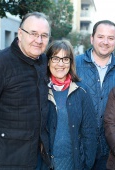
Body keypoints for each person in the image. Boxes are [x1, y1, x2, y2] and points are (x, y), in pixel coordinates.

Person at [0, 12, 51, 170]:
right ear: (20, 33)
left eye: (44, 35)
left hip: (36, 158)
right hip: (4, 160)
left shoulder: (44, 62)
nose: (38, 40)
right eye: (33, 34)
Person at [75, 20, 115, 170]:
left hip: (112, 152)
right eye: (101, 37)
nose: (105, 42)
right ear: (92, 38)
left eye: (110, 38)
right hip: (78, 148)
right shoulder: (73, 65)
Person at [42, 40, 97, 170]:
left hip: (74, 163)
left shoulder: (81, 91)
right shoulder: (40, 90)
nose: (60, 64)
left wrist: (87, 164)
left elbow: (90, 132)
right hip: (44, 163)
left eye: (65, 59)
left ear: (71, 62)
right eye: (55, 58)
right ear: (48, 61)